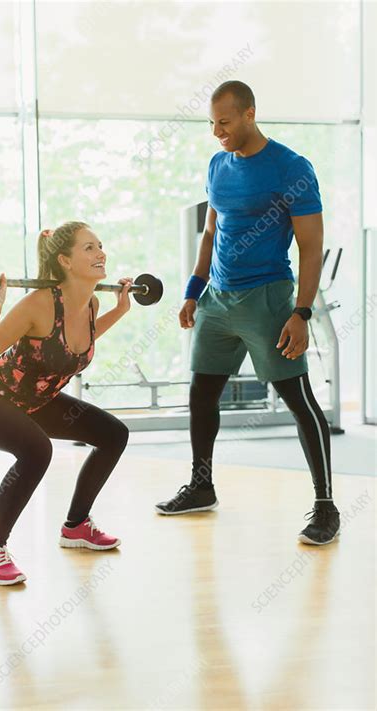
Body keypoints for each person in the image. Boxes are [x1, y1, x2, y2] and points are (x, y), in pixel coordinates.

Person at [155, 81, 340, 546]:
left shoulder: (291, 168)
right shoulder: (218, 164)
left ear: (250, 114)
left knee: (298, 399)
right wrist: (194, 291)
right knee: (202, 394)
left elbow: (311, 247)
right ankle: (201, 485)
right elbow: (210, 233)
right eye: (212, 123)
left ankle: (326, 506)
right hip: (218, 298)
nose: (217, 132)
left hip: (268, 297)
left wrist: (301, 313)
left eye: (225, 122)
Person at [0, 221, 132, 585]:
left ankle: (76, 526)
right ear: (65, 261)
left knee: (113, 435)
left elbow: (78, 340)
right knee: (36, 451)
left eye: (100, 245)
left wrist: (121, 310)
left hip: (36, 400)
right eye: (89, 247)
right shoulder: (39, 303)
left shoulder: (90, 304)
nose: (101, 253)